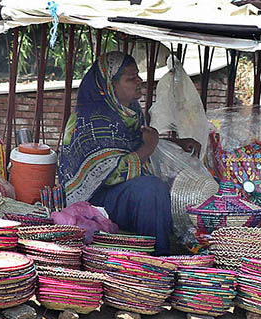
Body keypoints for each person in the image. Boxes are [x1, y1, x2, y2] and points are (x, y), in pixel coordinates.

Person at [58, 51, 199, 256]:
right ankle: (156, 259)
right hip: (94, 200)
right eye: (131, 78)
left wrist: (175, 143)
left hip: (121, 195)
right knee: (151, 189)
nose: (139, 81)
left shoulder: (127, 113)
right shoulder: (92, 119)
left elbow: (134, 142)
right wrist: (148, 148)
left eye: (138, 75)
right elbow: (110, 174)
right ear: (110, 85)